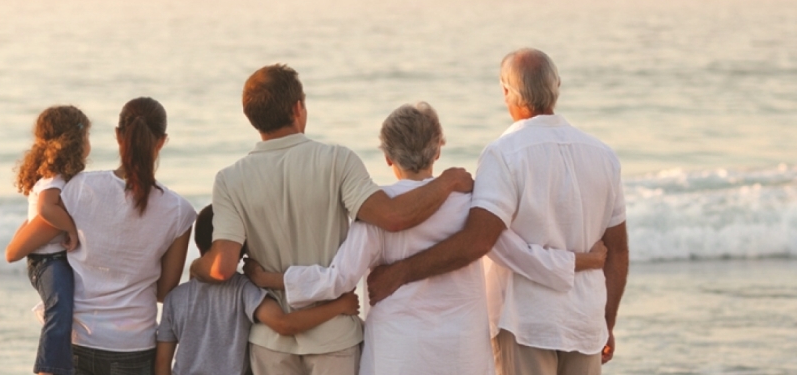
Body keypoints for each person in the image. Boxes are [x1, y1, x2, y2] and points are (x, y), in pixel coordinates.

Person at [243, 103, 606, 375]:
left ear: (387, 157)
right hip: (462, 353)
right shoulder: (471, 207)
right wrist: (582, 261)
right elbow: (520, 256)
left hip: (396, 353)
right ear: (438, 150)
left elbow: (336, 279)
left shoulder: (376, 216)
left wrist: (271, 279)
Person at [190, 64, 474, 375]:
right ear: (298, 108)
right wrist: (447, 182)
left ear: (251, 117)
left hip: (270, 342)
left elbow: (222, 267)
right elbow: (393, 216)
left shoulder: (230, 179)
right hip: (334, 337)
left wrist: (195, 267)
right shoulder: (337, 160)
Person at [366, 48, 629, 375]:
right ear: (557, 85)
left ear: (507, 92)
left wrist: (401, 272)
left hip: (526, 322)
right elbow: (617, 250)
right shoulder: (603, 155)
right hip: (585, 323)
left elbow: (479, 240)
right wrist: (607, 322)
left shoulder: (504, 154)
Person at [16, 97, 196, 374]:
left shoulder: (77, 189)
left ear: (117, 136)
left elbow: (21, 246)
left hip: (79, 340)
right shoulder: (180, 211)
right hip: (135, 346)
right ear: (161, 141)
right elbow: (164, 293)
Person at [154, 205, 361, 375]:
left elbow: (162, 366)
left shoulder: (174, 299)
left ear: (198, 242)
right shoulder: (242, 290)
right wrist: (340, 306)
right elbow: (284, 324)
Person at [5, 105, 90, 375]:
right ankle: (49, 368)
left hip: (56, 258)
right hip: (46, 260)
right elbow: (45, 210)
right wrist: (72, 229)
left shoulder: (63, 178)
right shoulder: (53, 178)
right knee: (59, 306)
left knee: (67, 308)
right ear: (75, 141)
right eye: (87, 136)